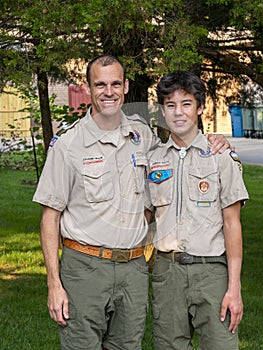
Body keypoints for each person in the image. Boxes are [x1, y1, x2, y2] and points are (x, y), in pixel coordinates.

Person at [33, 55, 231, 350]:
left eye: (115, 83)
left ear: (125, 86)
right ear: (88, 88)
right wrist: (53, 284)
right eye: (100, 84)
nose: (108, 91)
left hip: (134, 269)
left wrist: (215, 140)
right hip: (85, 267)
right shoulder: (68, 145)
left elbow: (173, 161)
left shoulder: (142, 135)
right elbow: (50, 216)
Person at [146, 71, 249, 350]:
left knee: (221, 345)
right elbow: (144, 217)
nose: (178, 113)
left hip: (210, 271)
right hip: (167, 272)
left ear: (201, 107)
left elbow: (232, 223)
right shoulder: (153, 160)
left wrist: (234, 287)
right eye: (170, 105)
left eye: (186, 104)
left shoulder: (220, 157)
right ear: (162, 110)